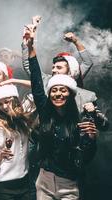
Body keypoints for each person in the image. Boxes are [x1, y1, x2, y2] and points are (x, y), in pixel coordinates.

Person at [26, 27, 106, 199]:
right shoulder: (46, 111)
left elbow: (86, 156)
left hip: (69, 182)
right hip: (44, 179)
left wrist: (91, 140)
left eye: (63, 90)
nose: (58, 94)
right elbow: (35, 80)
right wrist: (31, 45)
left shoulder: (80, 116)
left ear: (70, 93)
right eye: (54, 90)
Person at [0, 84, 33, 200]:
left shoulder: (22, 121)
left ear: (14, 100)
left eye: (7, 101)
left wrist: (13, 80)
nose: (4, 106)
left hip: (24, 182)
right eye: (0, 104)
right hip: (4, 185)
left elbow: (38, 90)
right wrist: (0, 154)